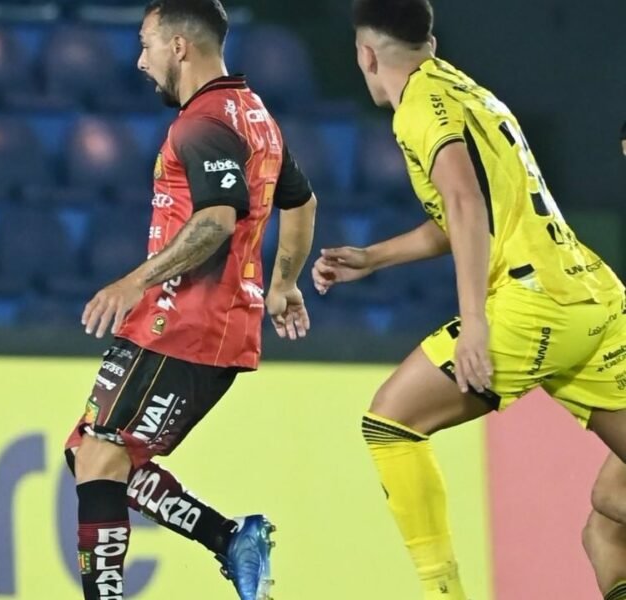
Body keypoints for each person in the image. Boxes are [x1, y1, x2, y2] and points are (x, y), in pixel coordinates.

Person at [312, 0, 626, 598]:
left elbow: (466, 205)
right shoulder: (466, 90)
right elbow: (468, 210)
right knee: (606, 524)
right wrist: (374, 258)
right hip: (594, 297)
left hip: (536, 304)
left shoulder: (416, 110)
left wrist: (476, 322)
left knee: (389, 423)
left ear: (366, 54)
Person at [63, 1, 317, 598]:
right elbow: (301, 203)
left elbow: (216, 221)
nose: (140, 60)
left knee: (100, 459)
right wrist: (282, 283)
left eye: (147, 44)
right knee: (90, 455)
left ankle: (226, 541)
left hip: (184, 323)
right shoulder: (255, 115)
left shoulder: (200, 124)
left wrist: (134, 281)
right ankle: (231, 539)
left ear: (179, 46)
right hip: (200, 326)